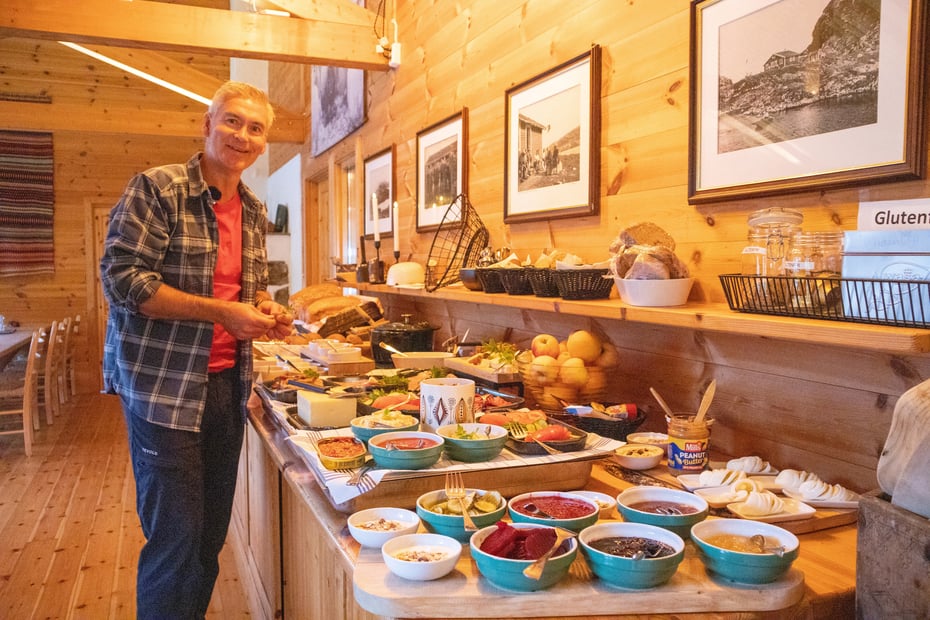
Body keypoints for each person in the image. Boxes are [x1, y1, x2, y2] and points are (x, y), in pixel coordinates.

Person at [100, 80, 293, 619]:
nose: (243, 135)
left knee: (208, 537)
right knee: (175, 541)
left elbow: (247, 289)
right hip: (163, 390)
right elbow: (123, 280)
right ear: (207, 125)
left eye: (255, 128)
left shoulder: (252, 209)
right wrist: (223, 312)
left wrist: (264, 310)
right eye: (232, 121)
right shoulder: (157, 189)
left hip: (227, 387)